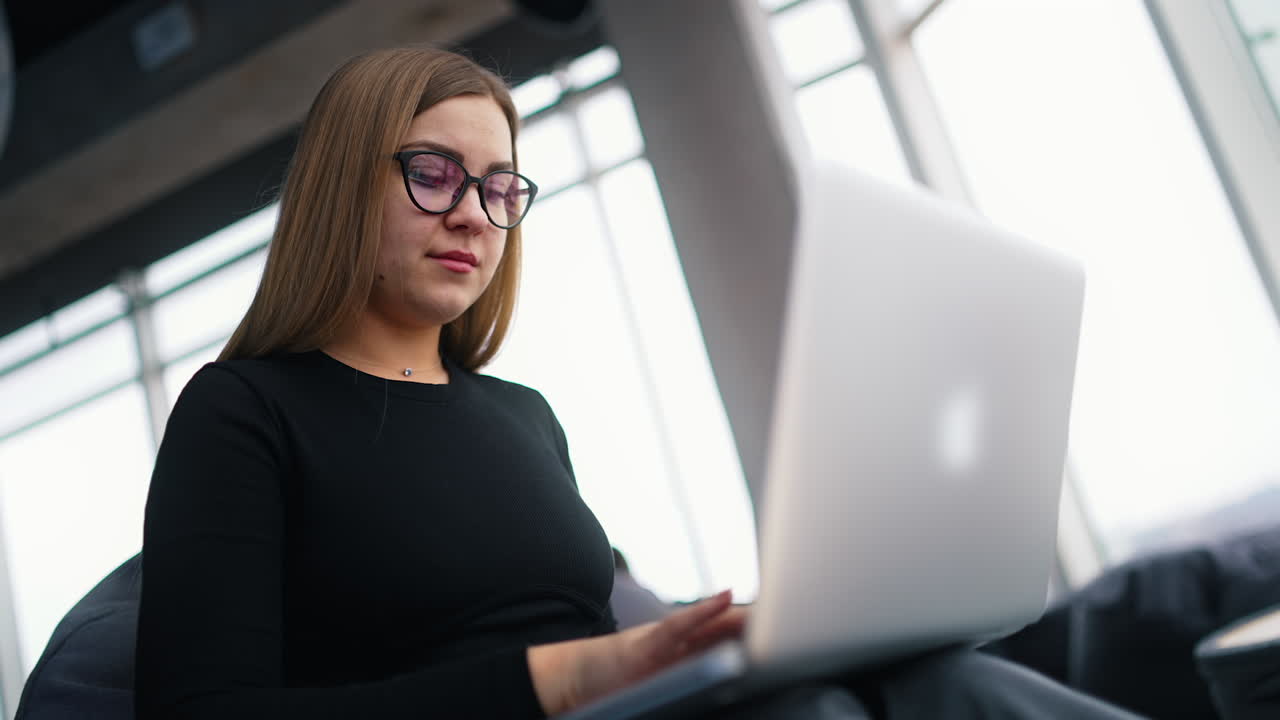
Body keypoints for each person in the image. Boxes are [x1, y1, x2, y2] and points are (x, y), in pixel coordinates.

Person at [135, 45, 1141, 719]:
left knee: (944, 681)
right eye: (434, 174)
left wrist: (715, 631)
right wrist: (575, 673)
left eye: (498, 187)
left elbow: (595, 608)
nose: (475, 214)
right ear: (342, 184)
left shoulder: (520, 417)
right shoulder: (245, 413)